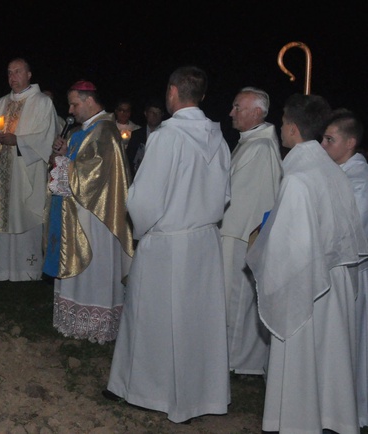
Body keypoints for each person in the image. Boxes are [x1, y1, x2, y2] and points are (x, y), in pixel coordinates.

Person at [105, 66, 231, 423]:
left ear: (173, 92)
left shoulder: (167, 136)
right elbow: (224, 195)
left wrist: (143, 231)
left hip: (168, 242)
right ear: (201, 96)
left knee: (154, 318)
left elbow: (144, 200)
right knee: (196, 323)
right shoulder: (216, 138)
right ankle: (199, 394)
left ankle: (148, 390)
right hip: (204, 242)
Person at [246, 94, 367, 434]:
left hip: (311, 283)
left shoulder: (299, 177)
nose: (281, 130)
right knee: (330, 360)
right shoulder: (331, 169)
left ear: (293, 129)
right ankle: (331, 418)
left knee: (305, 358)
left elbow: (289, 251)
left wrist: (258, 249)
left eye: (283, 124)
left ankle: (297, 422)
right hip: (337, 281)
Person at [44, 80, 133, 344]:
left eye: (74, 103)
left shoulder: (105, 130)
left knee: (94, 266)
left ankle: (94, 323)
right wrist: (63, 153)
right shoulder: (86, 129)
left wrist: (65, 167)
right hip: (76, 209)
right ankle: (74, 318)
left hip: (95, 215)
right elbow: (78, 162)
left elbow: (95, 173)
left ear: (90, 101)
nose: (70, 110)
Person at [220, 87, 282, 375]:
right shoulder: (250, 143)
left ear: (257, 112)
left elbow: (244, 200)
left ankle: (237, 362)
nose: (232, 113)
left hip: (240, 236)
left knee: (237, 300)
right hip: (236, 233)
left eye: (237, 107)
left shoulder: (260, 149)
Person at [0, 58, 57, 281]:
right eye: (9, 72)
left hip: (25, 172)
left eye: (18, 72)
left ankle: (27, 271)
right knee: (3, 217)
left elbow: (47, 136)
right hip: (2, 175)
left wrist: (18, 141)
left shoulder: (42, 102)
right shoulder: (1, 102)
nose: (13, 76)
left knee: (23, 216)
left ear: (29, 75)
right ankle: (3, 270)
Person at [320, 109, 368, 427]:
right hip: (333, 270)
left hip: (351, 273)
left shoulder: (358, 179)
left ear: (350, 143)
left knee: (352, 344)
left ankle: (353, 411)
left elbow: (349, 228)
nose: (323, 145)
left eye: (329, 139)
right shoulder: (337, 171)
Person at [125, 98, 164, 173]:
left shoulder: (166, 135)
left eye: (158, 113)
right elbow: (129, 159)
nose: (155, 115)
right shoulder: (136, 135)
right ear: (146, 113)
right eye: (152, 112)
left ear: (162, 115)